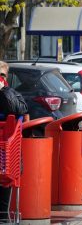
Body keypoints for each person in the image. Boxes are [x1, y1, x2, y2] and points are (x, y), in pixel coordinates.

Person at [0, 61, 28, 223]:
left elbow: (19, 110)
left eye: (2, 75)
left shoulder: (12, 94)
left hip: (6, 149)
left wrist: (4, 91)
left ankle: (3, 217)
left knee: (5, 180)